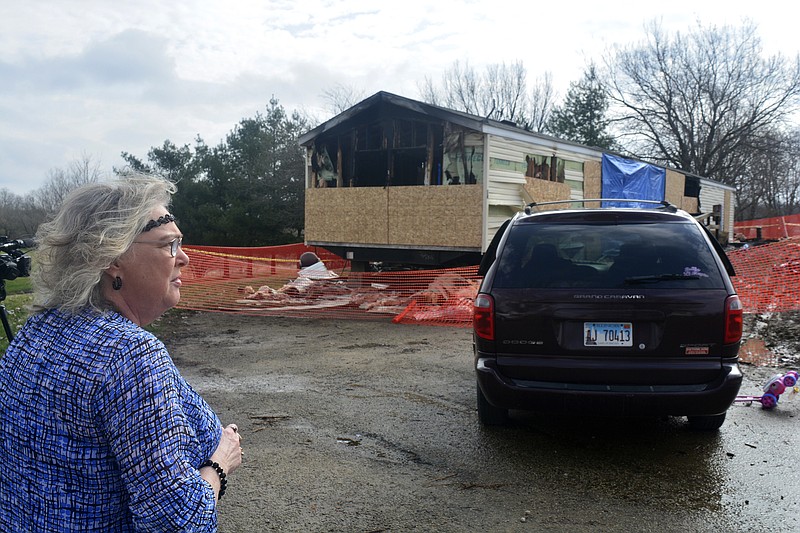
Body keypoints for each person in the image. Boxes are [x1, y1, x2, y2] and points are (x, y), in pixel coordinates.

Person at [0, 173, 242, 531]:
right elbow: (174, 523)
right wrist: (221, 462)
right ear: (113, 256)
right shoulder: (128, 354)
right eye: (169, 245)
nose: (185, 258)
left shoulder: (39, 330)